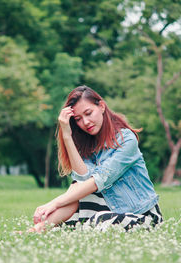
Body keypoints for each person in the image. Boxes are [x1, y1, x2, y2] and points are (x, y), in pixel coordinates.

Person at [28, 85, 163, 233]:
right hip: (109, 211)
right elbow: (82, 181)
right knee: (72, 218)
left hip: (143, 215)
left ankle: (51, 227)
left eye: (88, 113)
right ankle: (37, 229)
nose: (85, 122)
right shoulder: (88, 146)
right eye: (78, 119)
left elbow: (99, 180)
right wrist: (66, 135)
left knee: (97, 220)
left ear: (102, 107)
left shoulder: (126, 139)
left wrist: (54, 203)